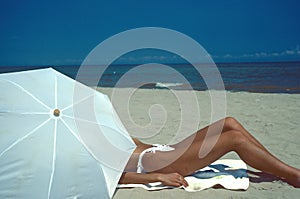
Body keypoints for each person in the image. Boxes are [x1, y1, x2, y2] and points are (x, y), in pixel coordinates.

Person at [119, 117, 300, 188]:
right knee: (234, 139)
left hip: (165, 149)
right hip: (159, 163)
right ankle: (293, 175)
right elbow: (114, 176)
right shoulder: (92, 149)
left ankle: (272, 165)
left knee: (229, 123)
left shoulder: (101, 130)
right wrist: (158, 177)